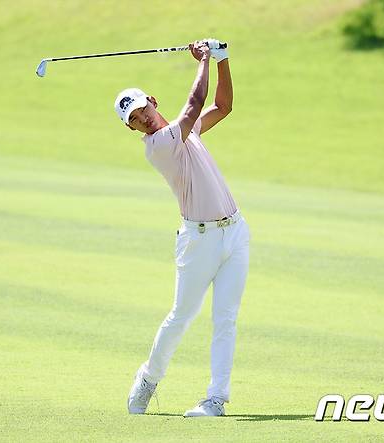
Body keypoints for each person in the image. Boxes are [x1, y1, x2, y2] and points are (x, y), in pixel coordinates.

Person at [114, 39, 250, 417]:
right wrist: (203, 59)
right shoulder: (159, 145)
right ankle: (149, 378)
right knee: (181, 316)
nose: (143, 119)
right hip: (198, 242)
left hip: (235, 232)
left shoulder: (186, 132)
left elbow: (223, 106)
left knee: (226, 319)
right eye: (134, 120)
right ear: (132, 128)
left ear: (152, 101)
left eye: (142, 109)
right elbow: (193, 105)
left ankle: (216, 399)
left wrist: (222, 59)